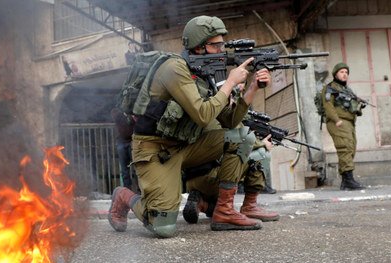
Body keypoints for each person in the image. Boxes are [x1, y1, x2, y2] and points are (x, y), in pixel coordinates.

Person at [108, 15, 272, 237]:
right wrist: (231, 82)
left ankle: (224, 211)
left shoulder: (206, 73)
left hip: (187, 144)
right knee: (162, 227)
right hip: (156, 150)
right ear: (199, 46)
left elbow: (230, 122)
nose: (222, 50)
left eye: (222, 44)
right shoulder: (174, 69)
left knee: (242, 136)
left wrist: (252, 88)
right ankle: (123, 196)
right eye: (216, 45)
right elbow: (204, 115)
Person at [183, 134, 279, 224]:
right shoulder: (227, 122)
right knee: (262, 153)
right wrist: (262, 143)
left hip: (190, 182)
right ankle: (249, 206)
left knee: (220, 206)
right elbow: (239, 139)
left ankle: (203, 204)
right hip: (214, 179)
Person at [321, 62, 365, 190]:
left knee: (351, 148)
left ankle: (345, 181)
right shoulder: (330, 88)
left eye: (346, 72)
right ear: (335, 74)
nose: (344, 74)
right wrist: (336, 120)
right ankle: (349, 180)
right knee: (345, 148)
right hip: (338, 122)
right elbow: (328, 105)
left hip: (349, 123)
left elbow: (351, 106)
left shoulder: (346, 90)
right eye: (342, 72)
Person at [110, 107, 135, 191]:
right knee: (125, 171)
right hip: (122, 141)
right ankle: (128, 191)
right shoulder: (118, 112)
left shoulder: (133, 111)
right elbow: (114, 113)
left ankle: (140, 191)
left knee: (136, 169)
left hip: (132, 141)